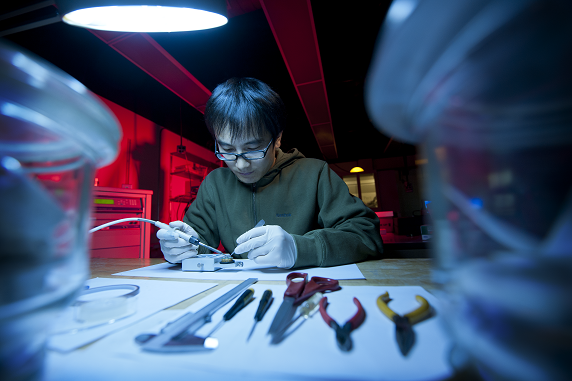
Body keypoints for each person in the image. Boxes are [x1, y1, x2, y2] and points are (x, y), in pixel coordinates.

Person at [158, 77, 383, 269]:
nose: (241, 165)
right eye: (227, 150)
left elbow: (365, 235)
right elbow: (197, 242)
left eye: (252, 149)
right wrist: (182, 247)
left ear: (277, 139)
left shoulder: (315, 174)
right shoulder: (215, 184)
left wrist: (300, 248)